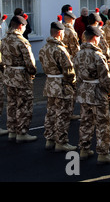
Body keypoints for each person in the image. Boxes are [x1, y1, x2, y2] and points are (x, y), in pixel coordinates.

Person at [73, 25, 110, 164]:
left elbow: (76, 74)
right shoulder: (98, 55)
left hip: (84, 90)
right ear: (95, 38)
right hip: (97, 92)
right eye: (99, 37)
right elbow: (105, 78)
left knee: (85, 121)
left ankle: (84, 149)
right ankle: (103, 153)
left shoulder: (78, 54)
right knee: (102, 123)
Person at [39, 18, 77, 152]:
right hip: (61, 85)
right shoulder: (60, 49)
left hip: (50, 83)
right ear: (60, 33)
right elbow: (68, 70)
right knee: (62, 114)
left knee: (50, 113)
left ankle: (50, 139)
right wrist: (73, 84)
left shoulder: (44, 48)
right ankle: (61, 142)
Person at [1, 14, 37, 142]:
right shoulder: (22, 41)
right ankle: (21, 132)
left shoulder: (4, 40)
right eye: (24, 27)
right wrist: (33, 72)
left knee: (11, 104)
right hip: (21, 77)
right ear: (21, 26)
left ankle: (12, 130)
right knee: (23, 105)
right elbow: (30, 63)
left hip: (9, 75)